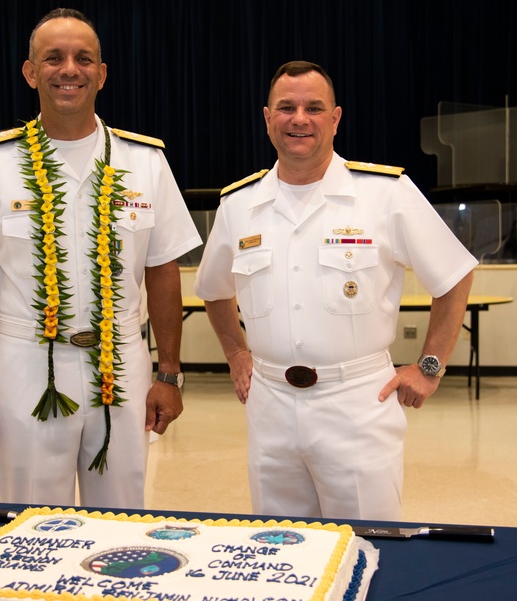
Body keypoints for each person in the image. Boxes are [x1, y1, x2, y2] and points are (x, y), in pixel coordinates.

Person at [0, 8, 201, 509]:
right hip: (27, 367)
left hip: (122, 365)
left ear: (102, 73)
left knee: (121, 516)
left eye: (83, 58)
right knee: (29, 519)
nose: (69, 69)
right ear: (31, 72)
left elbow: (162, 270)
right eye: (53, 58)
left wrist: (168, 374)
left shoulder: (145, 161)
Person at [194, 60, 477, 521]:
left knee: (368, 543)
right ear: (267, 118)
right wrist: (236, 354)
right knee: (279, 548)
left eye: (313, 107)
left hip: (357, 404)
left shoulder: (384, 192)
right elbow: (213, 289)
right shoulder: (239, 204)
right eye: (286, 107)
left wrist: (430, 367)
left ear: (335, 117)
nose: (299, 119)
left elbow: (455, 274)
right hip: (270, 407)